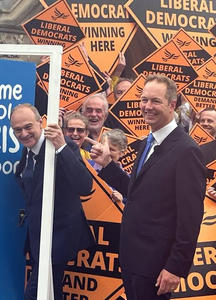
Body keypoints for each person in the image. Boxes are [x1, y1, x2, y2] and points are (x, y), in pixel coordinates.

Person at [87, 74, 205, 299]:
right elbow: (135, 192)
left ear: (172, 105)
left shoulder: (187, 151)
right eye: (144, 99)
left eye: (155, 101)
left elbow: (191, 219)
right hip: (132, 259)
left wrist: (175, 267)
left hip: (157, 266)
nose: (147, 107)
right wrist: (107, 164)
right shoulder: (147, 142)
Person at [10, 103, 94, 300]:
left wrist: (61, 147)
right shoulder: (27, 151)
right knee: (52, 291)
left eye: (28, 127)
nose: (23, 134)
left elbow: (84, 185)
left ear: (41, 123)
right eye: (17, 130)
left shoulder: (62, 146)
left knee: (35, 294)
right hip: (38, 238)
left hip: (60, 237)